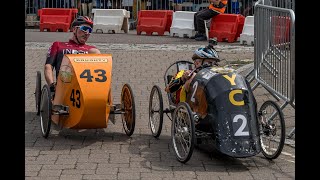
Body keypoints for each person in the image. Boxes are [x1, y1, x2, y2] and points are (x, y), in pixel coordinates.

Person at [44, 16, 101, 92]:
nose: (87, 33)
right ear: (74, 29)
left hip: (86, 87)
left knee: (96, 52)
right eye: (84, 29)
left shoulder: (92, 50)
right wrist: (51, 85)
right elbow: (48, 66)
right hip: (64, 85)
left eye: (89, 30)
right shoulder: (58, 45)